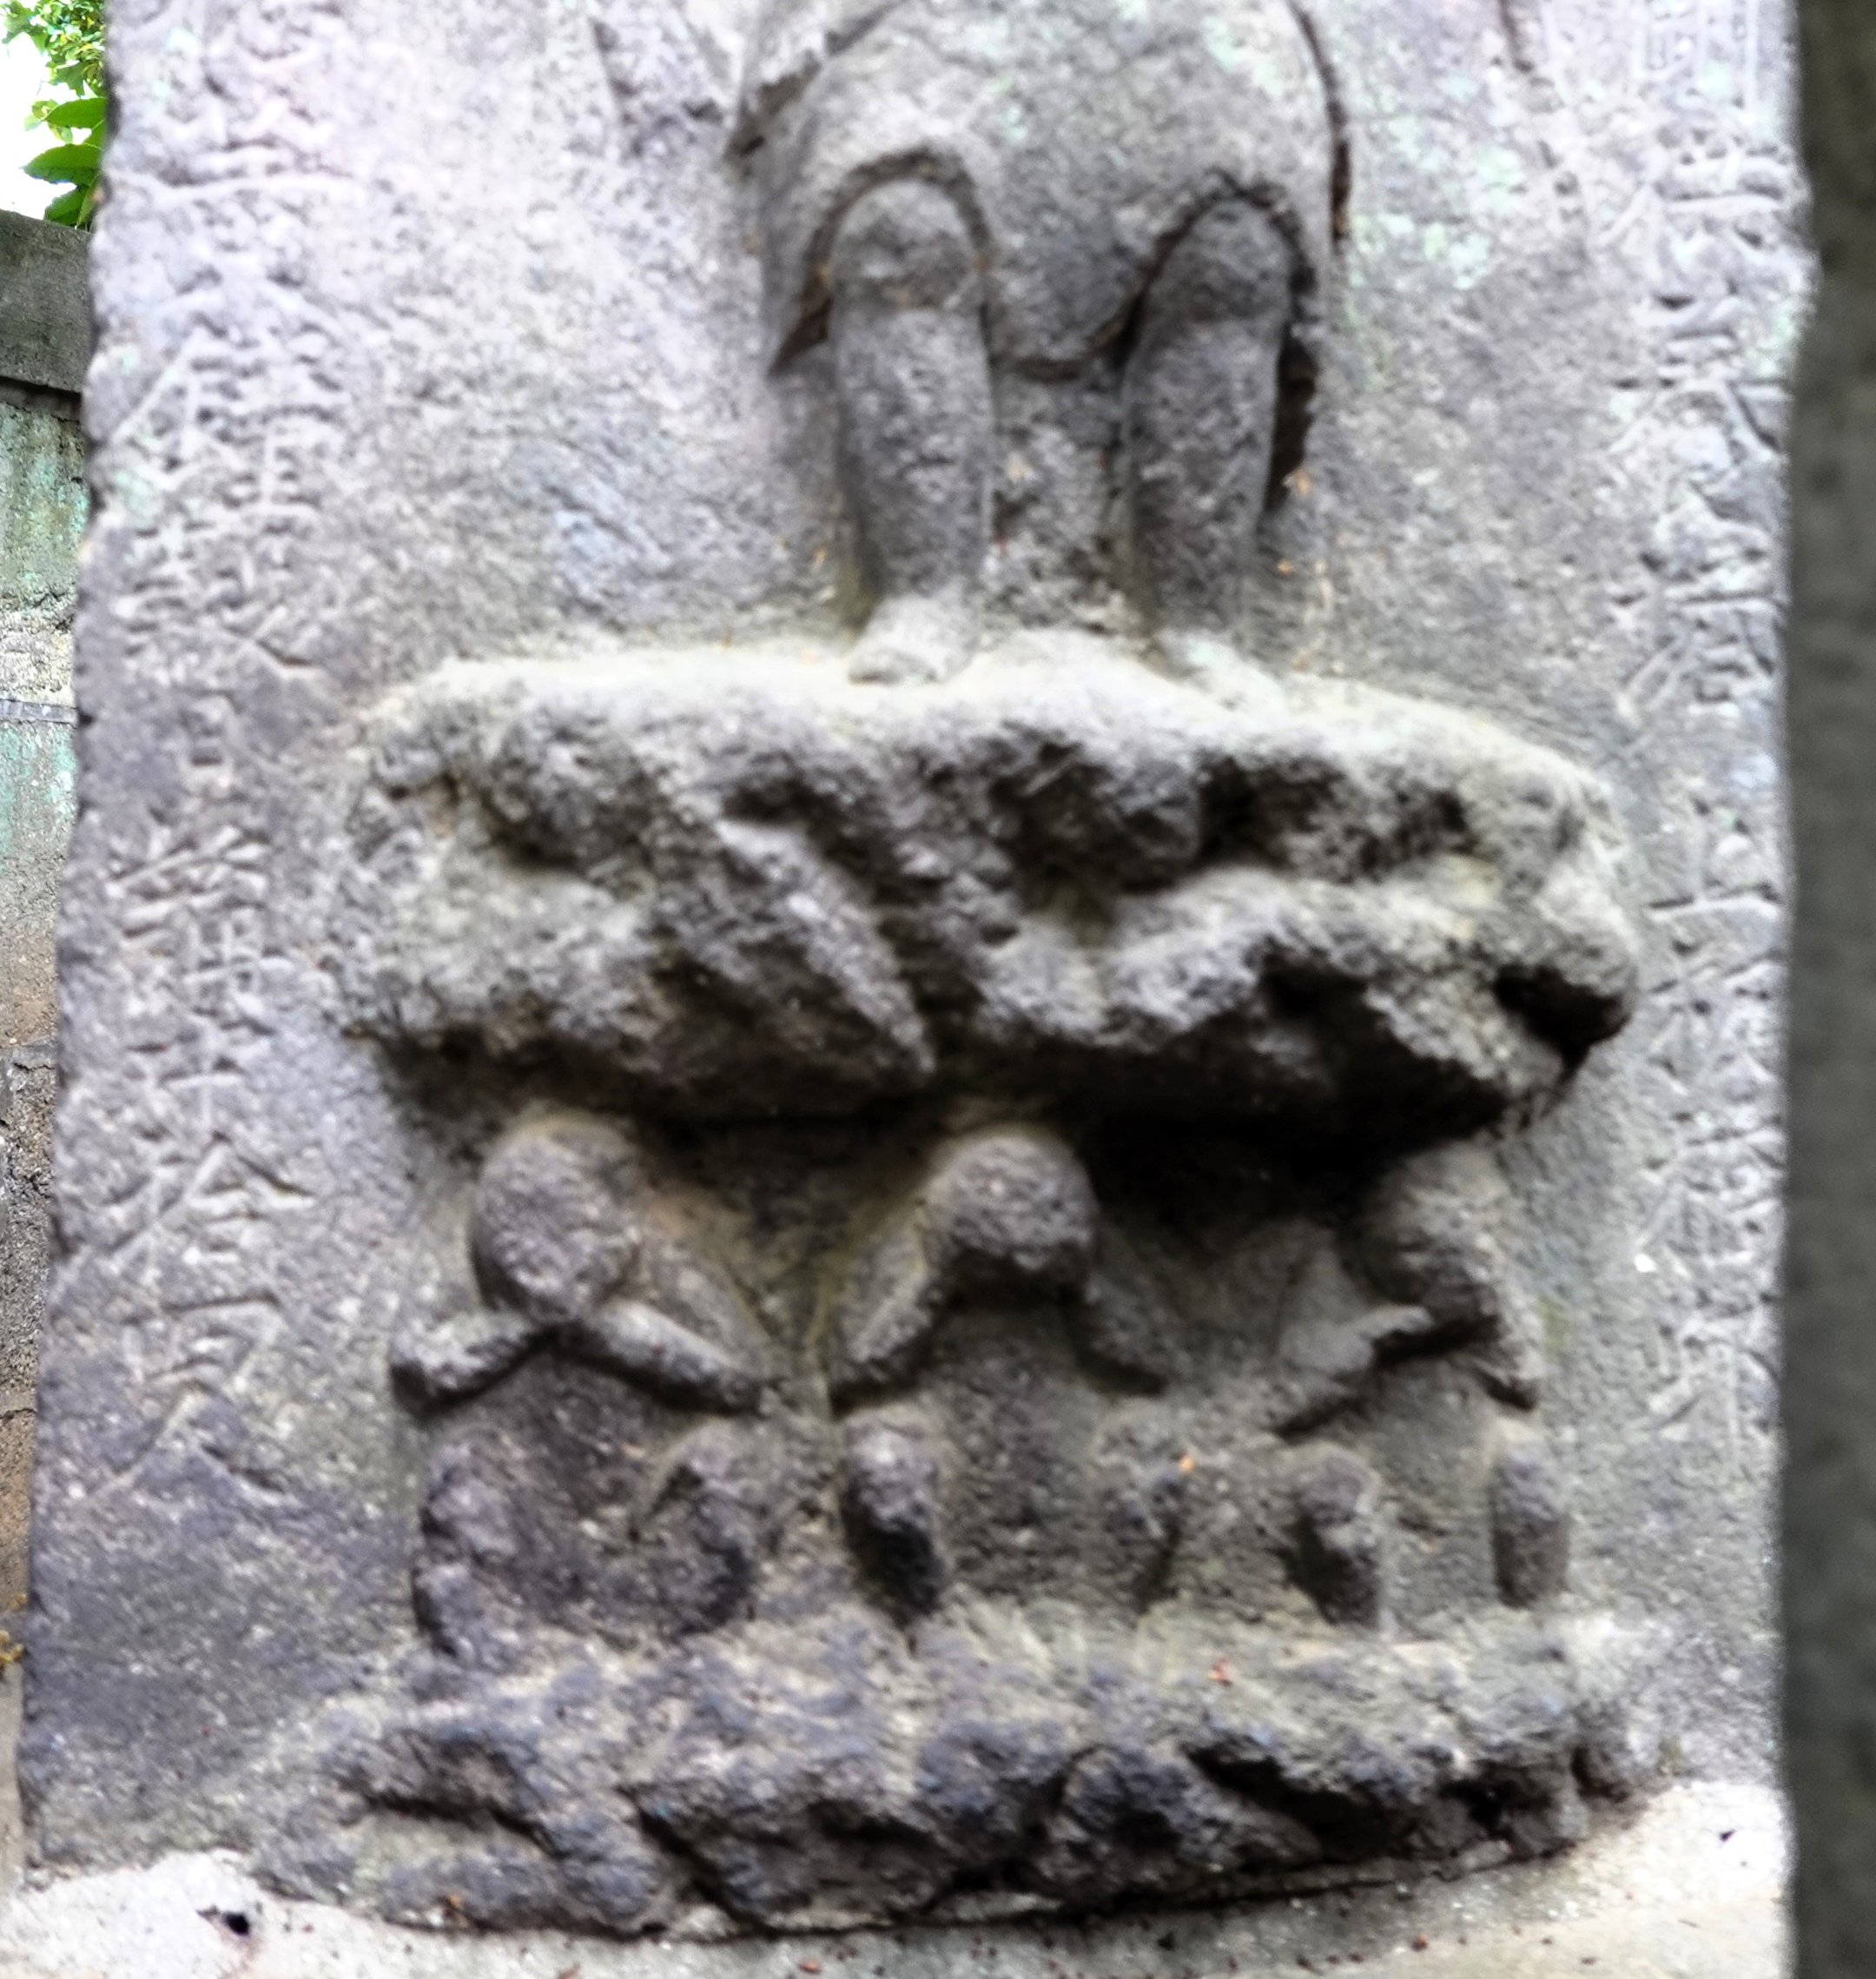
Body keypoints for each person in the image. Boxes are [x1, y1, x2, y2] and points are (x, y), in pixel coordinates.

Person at [737, 0, 1339, 685]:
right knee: (901, 229)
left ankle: (1196, 617)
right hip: (934, 28)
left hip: (1191, 28)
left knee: (1233, 254)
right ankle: (922, 592)